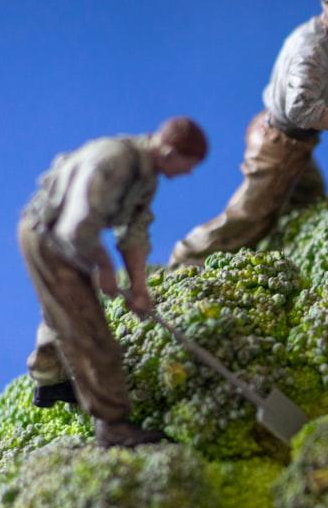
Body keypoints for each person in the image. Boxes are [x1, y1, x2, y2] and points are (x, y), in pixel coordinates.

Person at [168, 0, 328, 266]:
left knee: (308, 193)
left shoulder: (319, 35)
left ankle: (288, 250)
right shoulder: (311, 53)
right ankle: (185, 261)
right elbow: (302, 110)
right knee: (247, 218)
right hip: (281, 145)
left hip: (286, 138)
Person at [19, 117, 208, 447]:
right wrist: (104, 268)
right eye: (187, 165)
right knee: (92, 334)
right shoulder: (115, 161)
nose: (188, 174)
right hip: (49, 239)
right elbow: (76, 229)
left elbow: (134, 233)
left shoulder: (146, 175)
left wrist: (139, 288)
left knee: (67, 313)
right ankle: (113, 426)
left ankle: (50, 377)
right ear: (168, 151)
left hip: (66, 240)